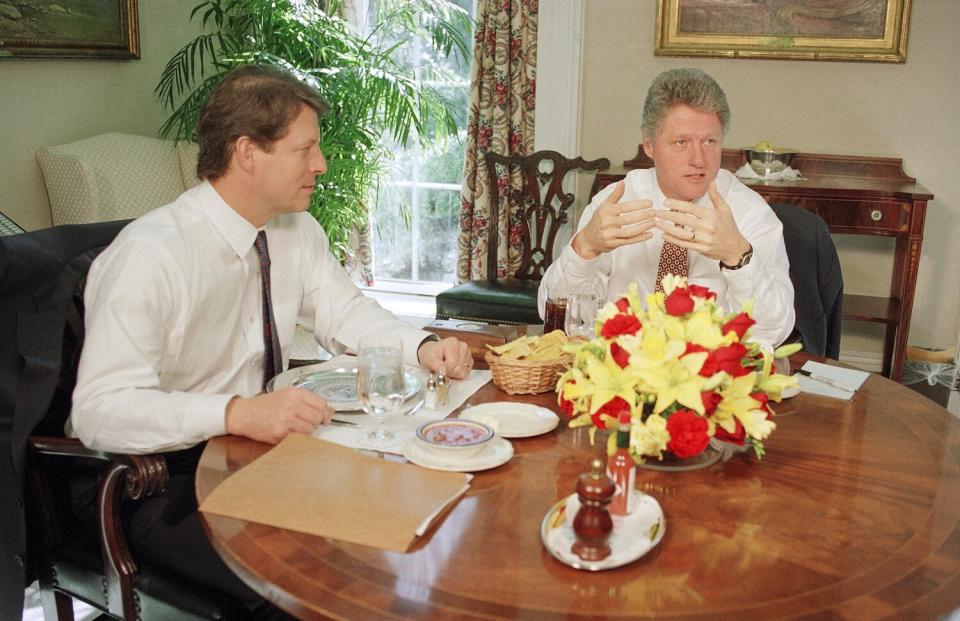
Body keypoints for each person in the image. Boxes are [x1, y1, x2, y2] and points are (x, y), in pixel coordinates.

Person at [67, 64, 473, 619]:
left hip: (253, 458)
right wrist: (236, 414)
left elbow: (345, 313)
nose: (321, 165)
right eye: (305, 150)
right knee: (308, 581)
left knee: (397, 530)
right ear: (247, 153)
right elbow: (98, 411)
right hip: (153, 481)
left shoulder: (294, 231)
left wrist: (423, 346)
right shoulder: (150, 256)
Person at [539, 68, 794, 347]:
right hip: (622, 367)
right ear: (649, 145)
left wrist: (738, 257)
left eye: (710, 142)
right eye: (681, 143)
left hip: (710, 376)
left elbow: (773, 333)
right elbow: (553, 317)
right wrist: (585, 247)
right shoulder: (616, 203)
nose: (699, 159)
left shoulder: (749, 214)